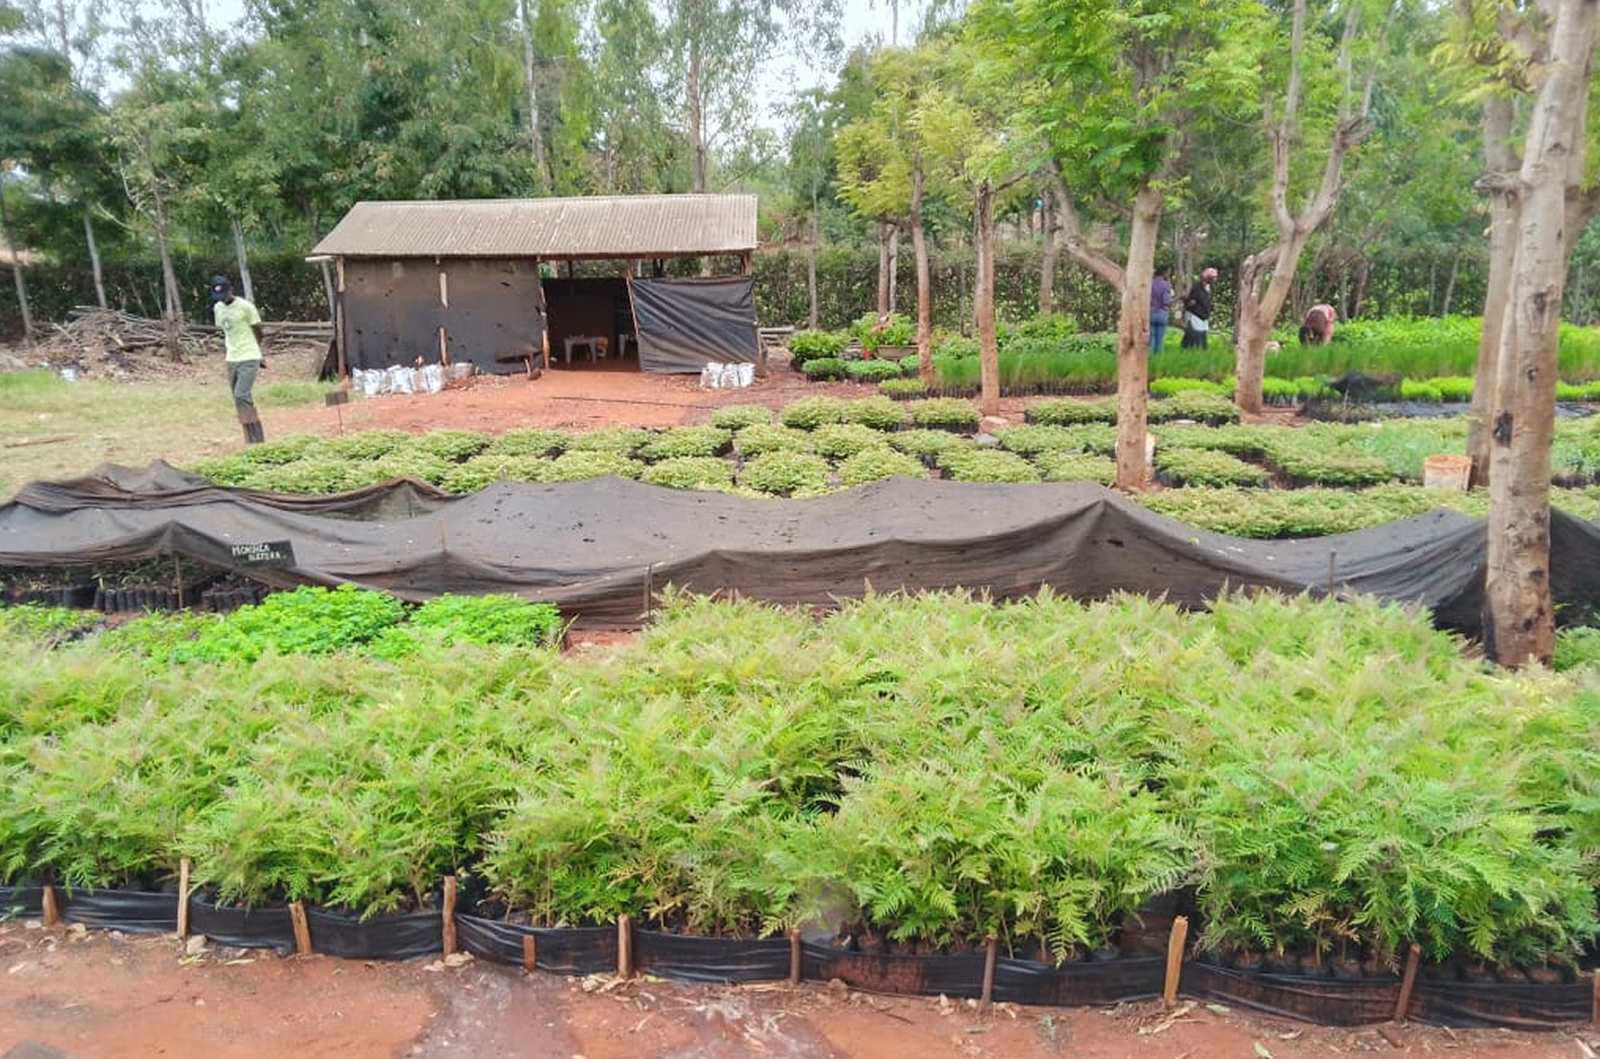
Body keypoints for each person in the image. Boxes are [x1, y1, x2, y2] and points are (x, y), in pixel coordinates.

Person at [210, 274, 266, 445]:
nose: (223, 299)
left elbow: (259, 331)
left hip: (249, 355)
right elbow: (226, 331)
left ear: (231, 290)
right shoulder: (218, 308)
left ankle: (257, 438)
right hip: (232, 358)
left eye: (225, 295)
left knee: (242, 394)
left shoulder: (246, 307)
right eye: (219, 296)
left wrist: (256, 351)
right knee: (237, 398)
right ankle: (249, 437)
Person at [1181, 267, 1218, 348]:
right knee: (1195, 334)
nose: (1214, 280)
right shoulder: (1197, 287)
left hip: (1205, 315)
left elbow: (1208, 301)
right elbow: (1192, 301)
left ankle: (1200, 349)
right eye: (1212, 278)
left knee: (1203, 334)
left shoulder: (1210, 288)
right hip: (1197, 315)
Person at [1149, 266, 1174, 353]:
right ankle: (1158, 360)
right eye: (1168, 273)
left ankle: (1149, 360)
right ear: (1164, 273)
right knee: (1159, 340)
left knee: (1151, 339)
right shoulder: (1166, 285)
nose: (1169, 275)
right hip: (1161, 314)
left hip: (1150, 313)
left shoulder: (1149, 283)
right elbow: (1166, 301)